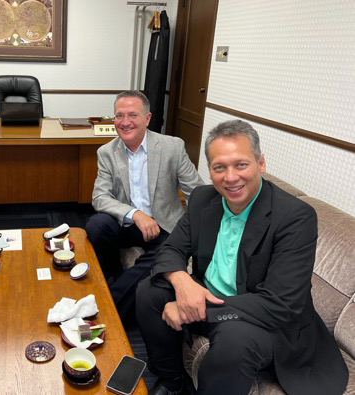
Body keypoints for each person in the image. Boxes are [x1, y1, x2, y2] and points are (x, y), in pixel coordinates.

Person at [136, 120, 348, 395]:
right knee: (149, 292)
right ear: (209, 170)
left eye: (241, 164)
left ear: (261, 163)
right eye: (219, 167)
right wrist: (182, 282)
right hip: (208, 296)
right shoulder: (202, 198)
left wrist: (193, 307)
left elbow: (280, 303)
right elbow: (171, 249)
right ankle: (170, 380)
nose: (231, 177)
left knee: (235, 340)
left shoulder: (295, 217)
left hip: (261, 318)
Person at [86, 90, 203, 325]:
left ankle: (106, 306)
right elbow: (99, 197)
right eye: (119, 116)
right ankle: (112, 274)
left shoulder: (172, 147)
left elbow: (197, 192)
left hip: (165, 225)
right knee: (96, 224)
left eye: (133, 115)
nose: (125, 122)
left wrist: (195, 233)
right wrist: (135, 214)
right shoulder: (107, 152)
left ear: (147, 118)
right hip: (130, 224)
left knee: (162, 258)